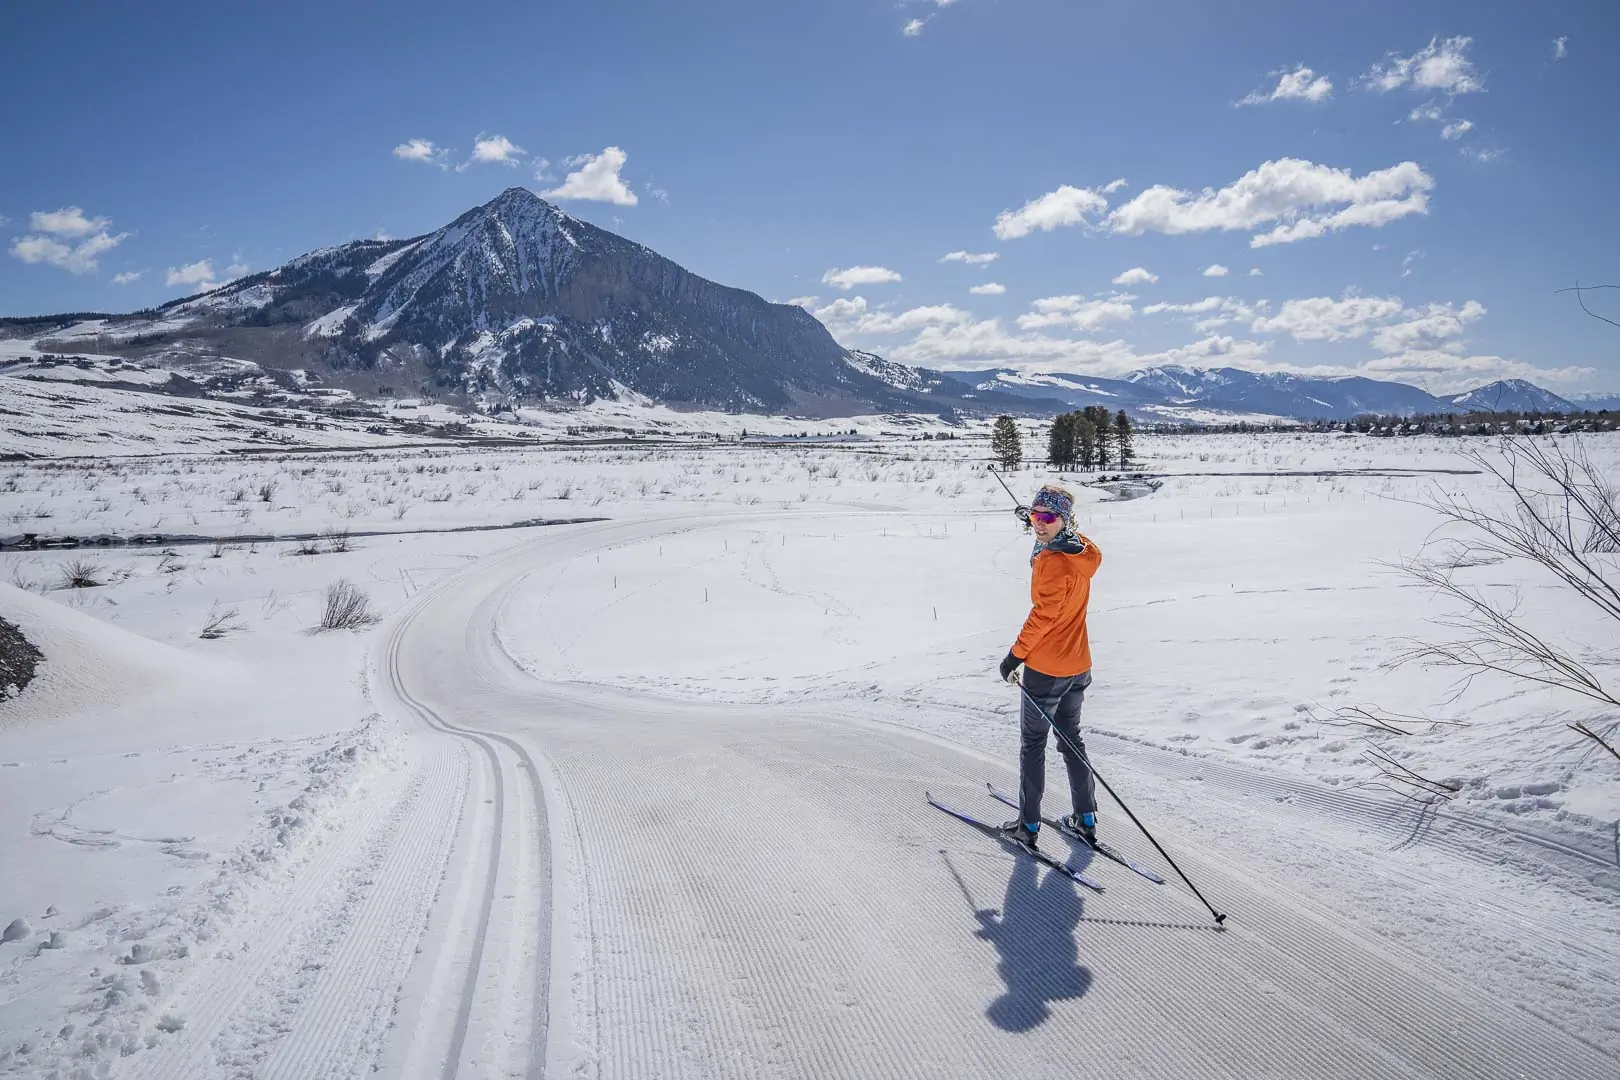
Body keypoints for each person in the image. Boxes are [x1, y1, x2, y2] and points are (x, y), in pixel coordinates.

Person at [996, 483, 1102, 850]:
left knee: (1033, 744)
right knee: (1071, 737)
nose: (1038, 524)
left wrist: (1015, 656)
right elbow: (1068, 541)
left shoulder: (1053, 563)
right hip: (1079, 665)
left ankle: (1028, 826)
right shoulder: (1080, 550)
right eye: (1033, 516)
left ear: (1064, 520)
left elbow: (1043, 616)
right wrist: (1039, 523)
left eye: (1047, 518)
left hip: (1047, 669)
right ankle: (1085, 818)